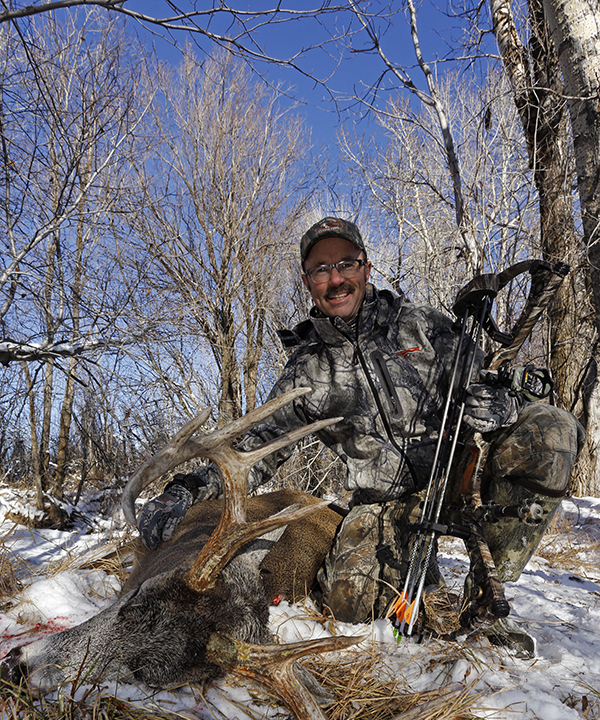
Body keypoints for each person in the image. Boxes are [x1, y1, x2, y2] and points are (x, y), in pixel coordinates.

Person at [137, 217, 585, 629]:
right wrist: (185, 490)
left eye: (346, 264)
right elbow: (258, 445)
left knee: (553, 430)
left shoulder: (422, 325)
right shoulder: (307, 370)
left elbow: (492, 381)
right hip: (385, 503)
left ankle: (488, 596)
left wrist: (502, 405)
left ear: (366, 268)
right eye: (320, 270)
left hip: (461, 480)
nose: (335, 279)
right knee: (348, 602)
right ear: (308, 282)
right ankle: (411, 561)